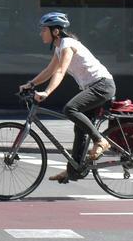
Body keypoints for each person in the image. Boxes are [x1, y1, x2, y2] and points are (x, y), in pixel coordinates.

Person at [20, 12, 116, 183]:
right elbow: (49, 71)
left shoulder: (68, 44)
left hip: (102, 85)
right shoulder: (59, 47)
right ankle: (74, 171)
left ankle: (100, 140)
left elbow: (60, 71)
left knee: (70, 109)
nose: (41, 33)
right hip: (94, 87)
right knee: (80, 128)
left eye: (44, 30)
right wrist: (31, 84)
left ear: (55, 31)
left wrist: (47, 92)